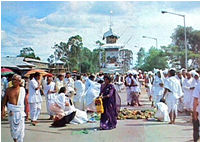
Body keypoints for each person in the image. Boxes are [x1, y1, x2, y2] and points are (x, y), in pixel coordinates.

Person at [1, 74, 26, 142]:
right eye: (12, 79)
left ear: (19, 81)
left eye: (15, 79)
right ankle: (15, 140)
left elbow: (25, 101)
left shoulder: (22, 90)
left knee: (21, 130)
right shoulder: (8, 90)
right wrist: (3, 111)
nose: (13, 81)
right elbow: (4, 101)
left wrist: (27, 112)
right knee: (13, 130)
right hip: (12, 112)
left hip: (20, 112)